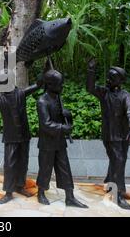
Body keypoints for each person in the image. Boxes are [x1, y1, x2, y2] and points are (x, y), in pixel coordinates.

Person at [0, 70, 41, 204]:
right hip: (11, 137)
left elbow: (38, 85)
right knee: (10, 164)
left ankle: (20, 186)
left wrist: (42, 69)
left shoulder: (20, 94)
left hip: (24, 135)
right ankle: (9, 192)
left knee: (23, 162)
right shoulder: (1, 99)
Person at [86, 58, 130, 210]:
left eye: (111, 78)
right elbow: (90, 88)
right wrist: (91, 70)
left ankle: (114, 187)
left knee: (119, 161)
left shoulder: (125, 95)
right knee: (117, 161)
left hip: (123, 135)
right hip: (109, 135)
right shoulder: (103, 93)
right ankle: (115, 189)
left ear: (120, 81)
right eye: (107, 77)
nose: (107, 80)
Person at [36, 69, 88, 208]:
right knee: (45, 168)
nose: (62, 87)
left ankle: (70, 197)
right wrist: (63, 128)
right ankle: (41, 192)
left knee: (65, 168)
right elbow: (46, 124)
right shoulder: (42, 101)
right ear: (50, 85)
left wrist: (67, 115)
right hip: (47, 142)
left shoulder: (58, 98)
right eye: (59, 84)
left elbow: (61, 116)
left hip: (59, 141)